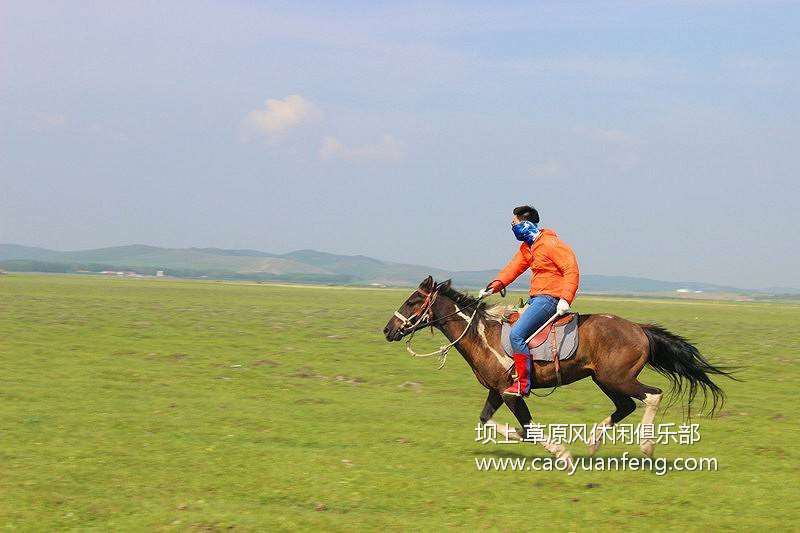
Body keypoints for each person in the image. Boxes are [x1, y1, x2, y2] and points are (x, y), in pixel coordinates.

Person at [478, 205, 580, 397]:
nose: (512, 227)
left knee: (516, 335)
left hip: (549, 299)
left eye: (514, 223)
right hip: (536, 299)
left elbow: (571, 269)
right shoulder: (528, 247)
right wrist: (493, 287)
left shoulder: (550, 243)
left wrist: (566, 298)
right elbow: (512, 269)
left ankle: (523, 385)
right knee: (508, 322)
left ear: (525, 223)